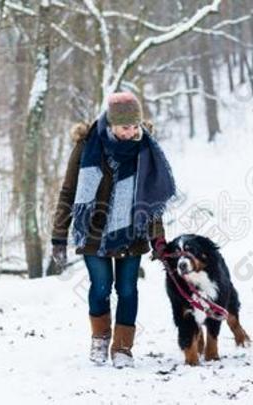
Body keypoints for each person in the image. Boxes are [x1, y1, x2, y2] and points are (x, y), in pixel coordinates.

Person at [50, 92, 176, 368]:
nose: (131, 132)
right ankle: (99, 338)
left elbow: (152, 200)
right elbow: (69, 191)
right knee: (100, 286)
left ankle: (122, 349)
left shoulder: (146, 150)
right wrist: (59, 236)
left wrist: (158, 240)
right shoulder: (87, 146)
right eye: (125, 127)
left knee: (128, 289)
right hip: (93, 230)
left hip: (132, 231)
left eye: (135, 126)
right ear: (111, 123)